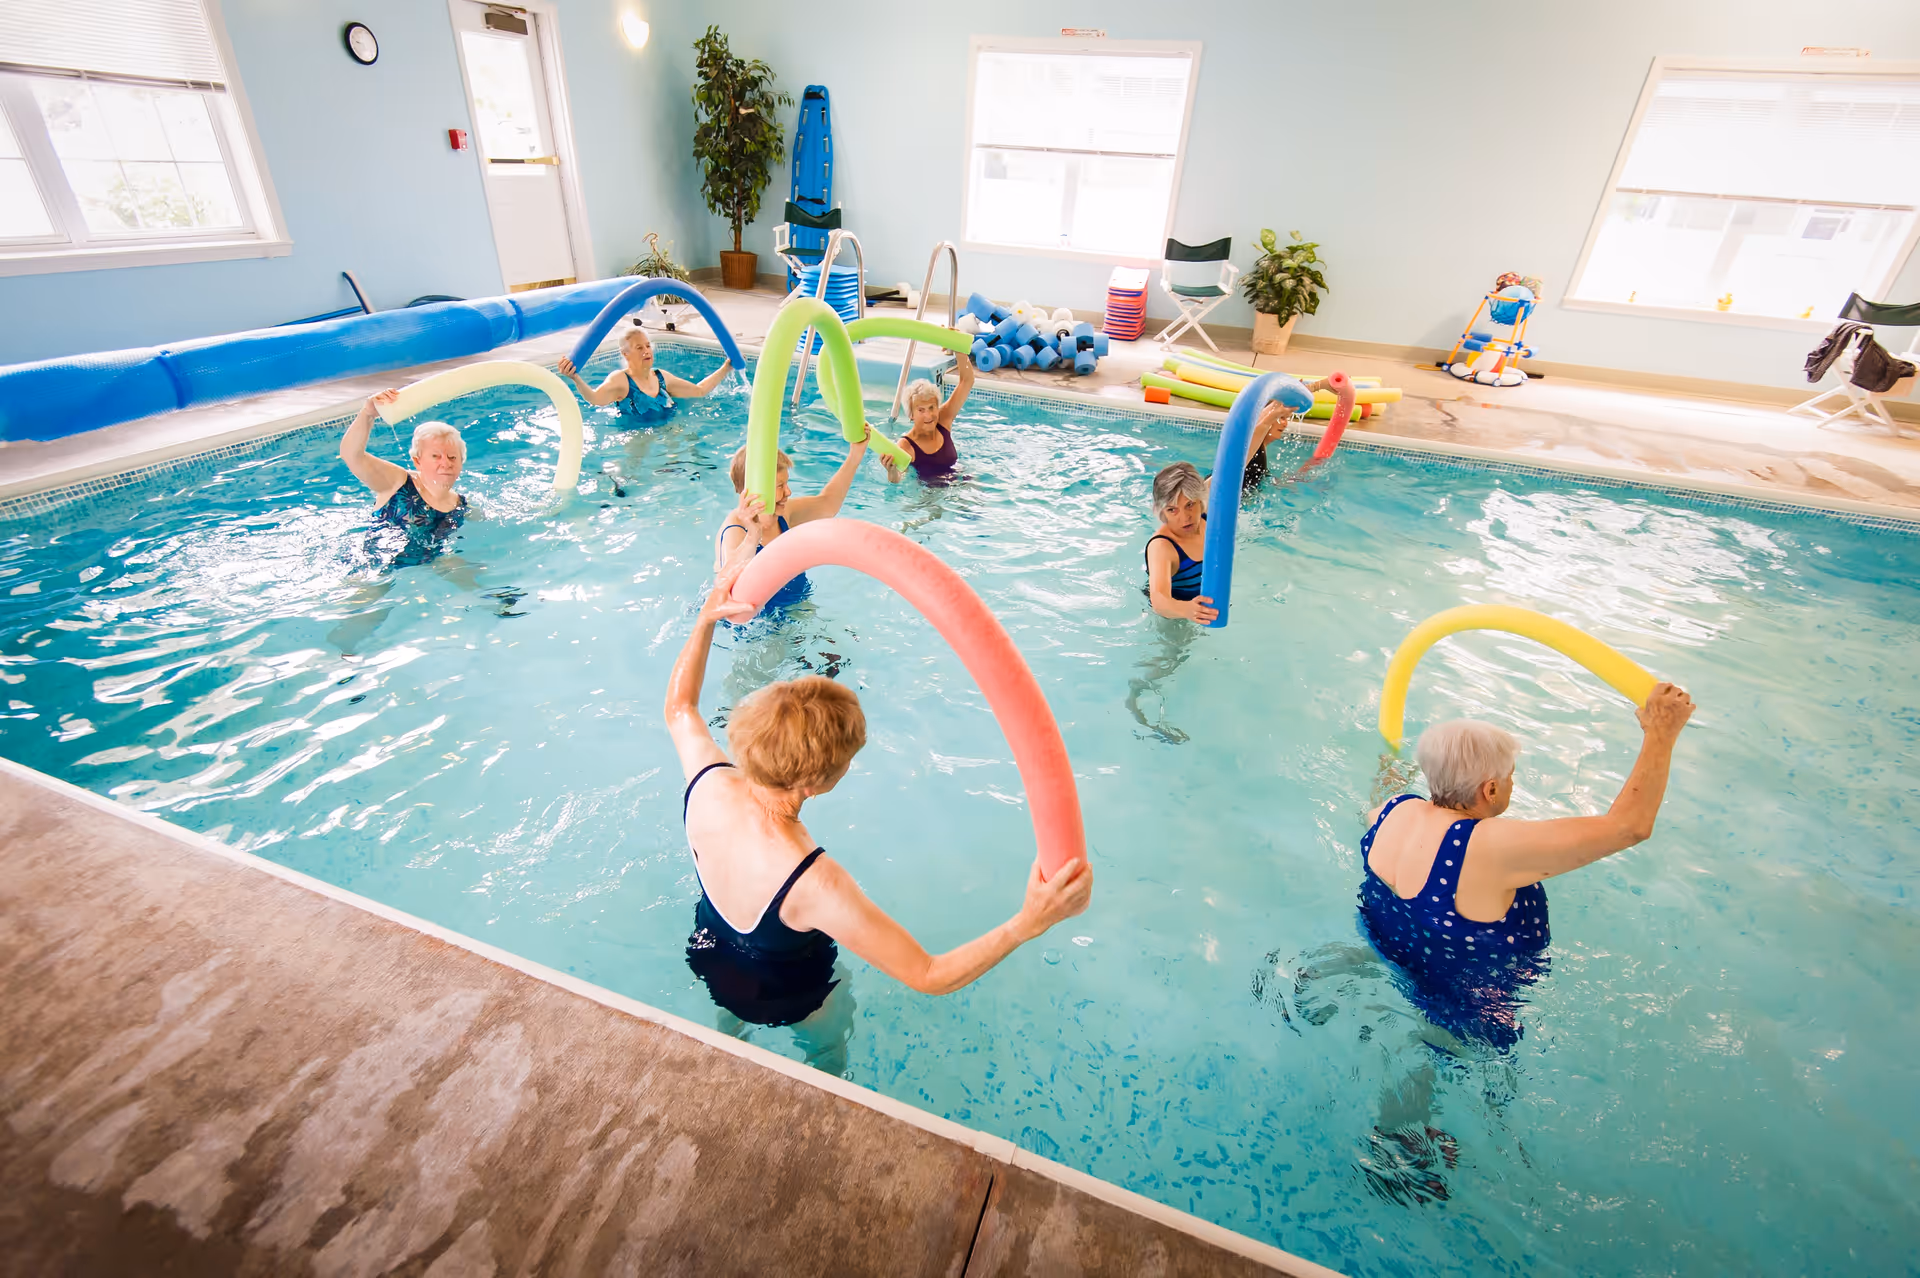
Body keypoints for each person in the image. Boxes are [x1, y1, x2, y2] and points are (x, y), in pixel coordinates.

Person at [664, 517, 1094, 1044]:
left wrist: (707, 619)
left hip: (710, 949)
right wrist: (1028, 922)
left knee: (726, 1030)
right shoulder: (816, 883)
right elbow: (929, 975)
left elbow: (680, 708)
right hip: (790, 988)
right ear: (818, 783)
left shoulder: (709, 783)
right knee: (829, 1049)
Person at [1357, 684, 1696, 1047]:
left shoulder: (1390, 809)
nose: (1511, 784)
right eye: (1510, 777)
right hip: (1463, 1006)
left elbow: (1385, 784)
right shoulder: (1488, 846)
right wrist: (1661, 733)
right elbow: (1629, 827)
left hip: (1386, 947)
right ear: (1490, 790)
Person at [1143, 400, 1290, 624]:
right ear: (1161, 512)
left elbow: (1240, 457)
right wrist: (1186, 611)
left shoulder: (1205, 506)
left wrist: (1270, 416)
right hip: (1173, 615)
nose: (1185, 517)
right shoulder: (1162, 546)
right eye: (1173, 510)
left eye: (1190, 505)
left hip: (1200, 605)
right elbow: (1160, 599)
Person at [714, 426, 870, 609]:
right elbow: (727, 585)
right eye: (780, 485)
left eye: (786, 482)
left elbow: (828, 504)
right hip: (756, 622)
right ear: (756, 489)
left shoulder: (783, 513)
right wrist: (753, 536)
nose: (788, 492)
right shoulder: (735, 528)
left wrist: (855, 455)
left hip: (793, 606)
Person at [339, 389, 469, 554]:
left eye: (452, 457)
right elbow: (351, 455)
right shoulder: (398, 482)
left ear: (461, 462)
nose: (445, 463)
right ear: (417, 461)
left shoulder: (460, 505)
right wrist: (367, 414)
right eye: (436, 456)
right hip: (373, 572)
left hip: (427, 570)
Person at [556, 324, 730, 423]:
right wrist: (575, 378)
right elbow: (595, 399)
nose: (647, 351)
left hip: (670, 434)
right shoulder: (621, 380)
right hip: (638, 438)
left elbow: (699, 390)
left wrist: (726, 367)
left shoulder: (661, 377)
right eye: (639, 348)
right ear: (626, 354)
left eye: (647, 346)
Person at [882, 362, 974, 483]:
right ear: (911, 415)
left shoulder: (943, 419)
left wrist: (959, 349)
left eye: (932, 407)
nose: (929, 415)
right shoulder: (906, 445)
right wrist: (892, 471)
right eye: (921, 410)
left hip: (961, 481)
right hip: (932, 495)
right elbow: (897, 480)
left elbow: (967, 381)